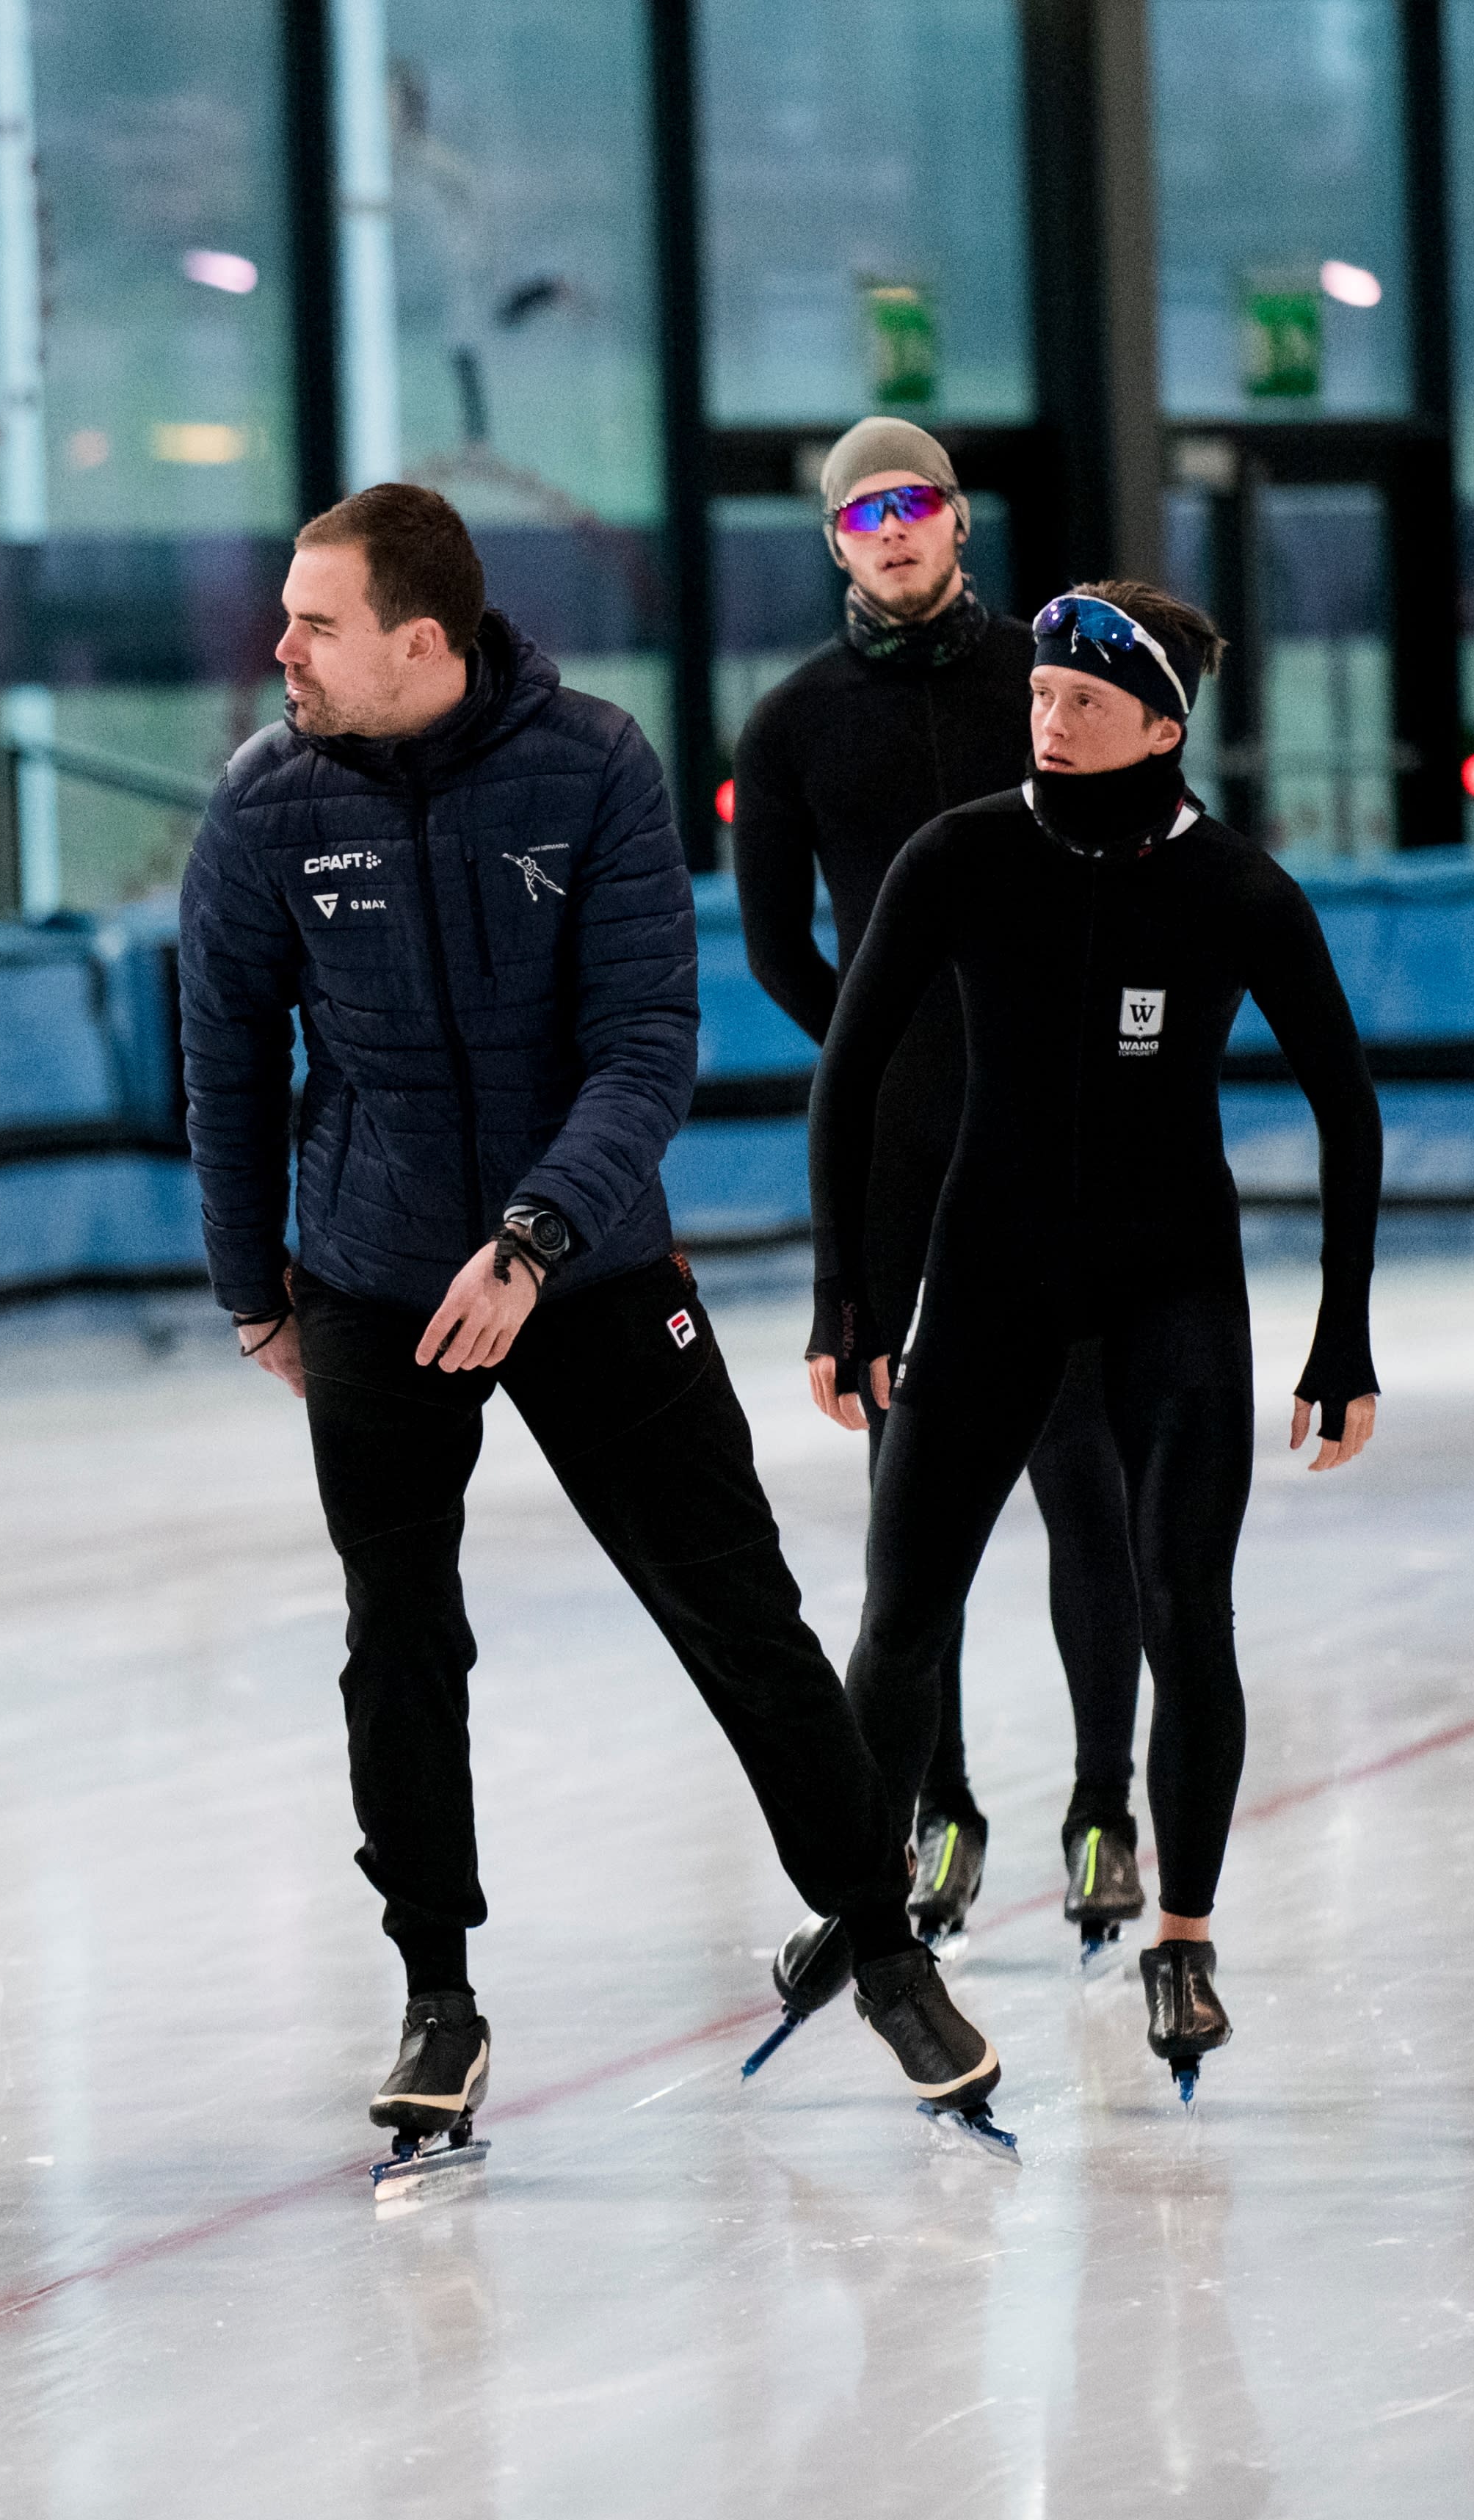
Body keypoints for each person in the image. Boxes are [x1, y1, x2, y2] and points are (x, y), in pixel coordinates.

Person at [177, 481, 1009, 2149]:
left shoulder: (593, 766)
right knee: (398, 1637)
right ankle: (437, 1994)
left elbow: (646, 1046)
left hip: (593, 1266)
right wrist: (253, 1288)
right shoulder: (266, 802)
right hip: (377, 1278)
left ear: (420, 641)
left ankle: (881, 1943)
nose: (282, 648)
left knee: (740, 1613)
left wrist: (534, 1238)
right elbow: (226, 1057)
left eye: (316, 623)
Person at [805, 578, 1384, 2096]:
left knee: (1186, 1611)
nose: (1047, 720)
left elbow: (1346, 1107)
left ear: (1162, 728)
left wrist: (1342, 1338)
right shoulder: (960, 855)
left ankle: (1181, 1936)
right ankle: (868, 1908)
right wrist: (845, 1296)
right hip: (983, 1278)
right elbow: (848, 1075)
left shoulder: (1237, 889)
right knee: (900, 1613)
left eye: (1083, 702)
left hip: (1168, 1289)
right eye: (1040, 695)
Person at [732, 414, 1148, 1951]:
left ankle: (1103, 1805)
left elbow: (1147, 863)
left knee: (1083, 1472)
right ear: (835, 544)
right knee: (913, 1510)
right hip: (900, 1150)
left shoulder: (1046, 686)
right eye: (863, 514)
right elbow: (774, 945)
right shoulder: (789, 726)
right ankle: (942, 1805)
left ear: (960, 520)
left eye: (913, 503)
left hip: (1057, 1136)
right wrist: (880, 1047)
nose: (892, 529)